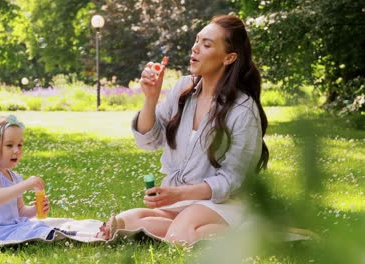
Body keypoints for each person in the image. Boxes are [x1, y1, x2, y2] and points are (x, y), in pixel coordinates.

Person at [97, 14, 269, 244]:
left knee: (179, 235)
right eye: (197, 40)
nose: (195, 48)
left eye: (206, 44)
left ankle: (249, 230)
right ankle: (182, 228)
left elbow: (233, 179)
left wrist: (178, 194)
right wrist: (151, 97)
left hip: (221, 203)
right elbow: (148, 141)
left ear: (229, 58)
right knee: (123, 224)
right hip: (181, 202)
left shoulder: (242, 109)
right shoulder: (183, 89)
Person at [0, 114, 76, 240]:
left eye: (20, 145)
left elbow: (20, 211)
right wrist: (25, 185)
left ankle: (53, 233)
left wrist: (35, 209)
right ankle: (52, 235)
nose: (16, 150)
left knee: (34, 225)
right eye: (9, 145)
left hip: (8, 227)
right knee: (31, 229)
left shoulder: (12, 177)